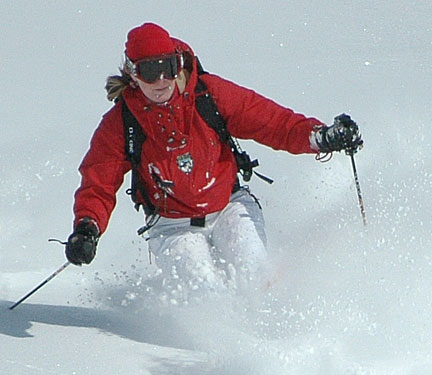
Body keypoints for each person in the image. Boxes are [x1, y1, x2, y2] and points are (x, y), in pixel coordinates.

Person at [65, 22, 362, 299]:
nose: (161, 80)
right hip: (172, 226)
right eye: (149, 71)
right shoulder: (122, 123)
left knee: (256, 279)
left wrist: (322, 137)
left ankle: (277, 336)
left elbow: (272, 123)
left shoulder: (208, 94)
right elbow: (99, 181)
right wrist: (87, 228)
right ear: (132, 73)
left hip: (229, 206)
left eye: (167, 68)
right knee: (206, 295)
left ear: (177, 64)